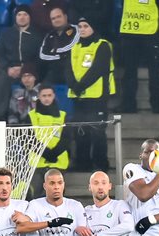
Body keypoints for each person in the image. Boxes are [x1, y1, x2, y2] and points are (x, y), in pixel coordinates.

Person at [65, 17, 114, 172]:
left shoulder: (103, 45)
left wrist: (80, 86)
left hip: (97, 96)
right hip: (78, 97)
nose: (82, 29)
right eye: (79, 26)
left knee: (97, 132)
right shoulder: (74, 47)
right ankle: (82, 164)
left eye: (86, 26)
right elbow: (68, 68)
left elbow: (98, 69)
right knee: (80, 131)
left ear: (93, 28)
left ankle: (100, 164)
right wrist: (74, 85)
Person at [117, 0, 159, 113]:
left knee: (154, 71)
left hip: (150, 32)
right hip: (129, 32)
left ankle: (157, 105)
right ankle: (128, 105)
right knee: (129, 71)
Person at [23, 84, 72, 193]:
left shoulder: (63, 115)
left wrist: (53, 154)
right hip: (37, 163)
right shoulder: (31, 116)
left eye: (49, 95)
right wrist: (46, 153)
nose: (46, 98)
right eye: (44, 95)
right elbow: (29, 139)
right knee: (36, 197)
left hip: (58, 162)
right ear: (39, 97)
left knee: (57, 197)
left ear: (54, 96)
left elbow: (67, 139)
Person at [0, 4, 43, 82]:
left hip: (30, 72)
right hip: (8, 72)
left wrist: (25, 69)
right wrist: (7, 69)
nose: (22, 17)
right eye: (19, 15)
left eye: (25, 14)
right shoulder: (5, 34)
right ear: (15, 17)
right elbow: (0, 54)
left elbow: (39, 58)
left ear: (30, 17)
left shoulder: (37, 36)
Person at [39, 7, 79, 85]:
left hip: (72, 71)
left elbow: (71, 46)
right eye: (53, 18)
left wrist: (53, 51)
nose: (56, 20)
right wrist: (61, 56)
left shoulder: (76, 29)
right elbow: (42, 55)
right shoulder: (49, 35)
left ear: (65, 16)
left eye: (58, 16)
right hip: (53, 72)